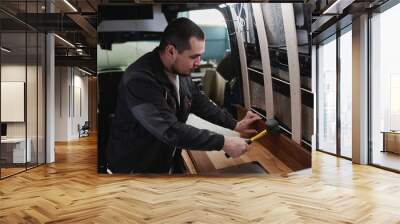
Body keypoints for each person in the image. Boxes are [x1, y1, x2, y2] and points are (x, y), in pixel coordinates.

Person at [107, 17, 261, 174]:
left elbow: (198, 101)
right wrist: (224, 142)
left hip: (164, 161)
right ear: (171, 51)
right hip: (134, 170)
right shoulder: (139, 80)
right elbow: (170, 130)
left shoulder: (180, 70)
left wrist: (235, 124)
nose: (198, 62)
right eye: (193, 56)